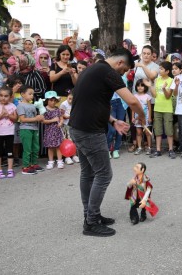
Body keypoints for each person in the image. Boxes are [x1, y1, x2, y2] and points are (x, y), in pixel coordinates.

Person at [70, 48, 145, 237]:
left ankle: (90, 215)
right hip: (89, 132)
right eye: (124, 70)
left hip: (78, 128)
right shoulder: (108, 72)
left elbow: (91, 102)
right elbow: (133, 102)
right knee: (104, 174)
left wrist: (113, 120)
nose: (123, 74)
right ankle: (91, 222)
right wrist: (143, 118)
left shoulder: (93, 69)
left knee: (88, 173)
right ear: (120, 63)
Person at [145, 61, 174, 158]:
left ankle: (171, 149)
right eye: (159, 68)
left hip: (167, 109)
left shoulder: (171, 80)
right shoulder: (157, 80)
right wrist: (150, 86)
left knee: (169, 130)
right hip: (157, 108)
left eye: (161, 69)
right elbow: (154, 95)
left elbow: (168, 96)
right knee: (157, 130)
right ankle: (158, 149)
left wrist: (165, 88)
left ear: (167, 71)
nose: (159, 70)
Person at [17, 85, 45, 175]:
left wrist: (40, 117)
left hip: (34, 128)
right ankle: (25, 167)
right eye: (30, 94)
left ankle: (34, 164)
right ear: (22, 94)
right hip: (25, 129)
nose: (32, 95)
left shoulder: (33, 105)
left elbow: (35, 117)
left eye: (33, 94)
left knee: (35, 148)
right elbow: (23, 119)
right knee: (27, 149)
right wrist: (36, 118)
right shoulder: (20, 105)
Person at [0, 86, 17, 179]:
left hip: (9, 132)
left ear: (10, 97)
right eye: (1, 95)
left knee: (9, 151)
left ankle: (10, 169)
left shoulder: (12, 106)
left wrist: (8, 115)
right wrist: (2, 114)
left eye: (6, 96)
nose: (3, 98)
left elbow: (15, 119)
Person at [42, 91, 64, 170]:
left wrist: (61, 123)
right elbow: (43, 121)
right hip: (49, 131)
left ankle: (60, 161)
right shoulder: (44, 110)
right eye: (51, 100)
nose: (53, 102)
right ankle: (50, 162)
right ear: (47, 100)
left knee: (59, 146)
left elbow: (61, 118)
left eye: (54, 100)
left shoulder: (58, 109)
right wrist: (53, 120)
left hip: (57, 131)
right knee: (50, 147)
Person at [132, 79, 152, 155]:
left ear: (145, 87)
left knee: (147, 132)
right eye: (138, 86)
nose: (140, 87)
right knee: (139, 132)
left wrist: (150, 117)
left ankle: (149, 147)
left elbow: (150, 108)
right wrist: (132, 117)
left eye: (142, 86)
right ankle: (139, 147)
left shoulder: (148, 96)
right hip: (137, 117)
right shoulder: (134, 96)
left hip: (146, 117)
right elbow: (133, 107)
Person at [60, 90, 79, 165]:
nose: (71, 101)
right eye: (69, 99)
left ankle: (74, 155)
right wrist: (68, 117)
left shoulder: (76, 103)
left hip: (73, 125)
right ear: (67, 97)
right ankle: (67, 157)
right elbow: (61, 115)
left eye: (72, 99)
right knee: (67, 141)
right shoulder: (63, 104)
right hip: (66, 125)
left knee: (74, 140)